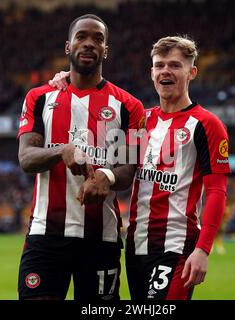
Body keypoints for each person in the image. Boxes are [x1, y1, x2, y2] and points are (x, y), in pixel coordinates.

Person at [61, 35, 230, 300]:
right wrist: (66, 80)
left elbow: (217, 192)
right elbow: (100, 120)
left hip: (176, 245)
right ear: (152, 73)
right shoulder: (141, 120)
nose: (166, 71)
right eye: (159, 65)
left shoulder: (206, 125)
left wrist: (203, 250)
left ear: (192, 72)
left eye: (175, 65)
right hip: (136, 245)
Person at [17, 14, 144, 301]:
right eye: (81, 37)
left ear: (106, 51)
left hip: (101, 240)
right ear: (67, 46)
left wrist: (107, 175)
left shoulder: (130, 106)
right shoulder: (38, 98)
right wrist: (63, 151)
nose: (89, 44)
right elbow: (26, 158)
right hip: (46, 236)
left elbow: (129, 169)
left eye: (98, 39)